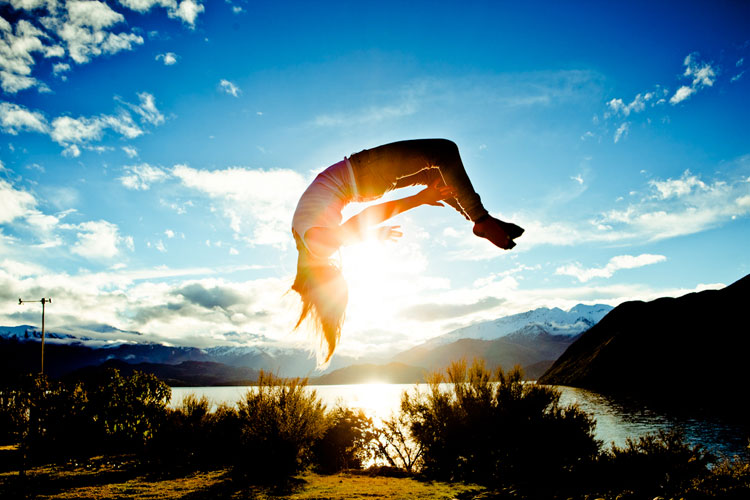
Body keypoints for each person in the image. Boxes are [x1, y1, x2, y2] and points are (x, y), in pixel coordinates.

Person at [291, 138, 524, 365]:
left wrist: (369, 235)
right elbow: (357, 221)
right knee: (443, 153)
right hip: (362, 174)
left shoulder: (315, 245)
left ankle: (480, 220)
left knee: (437, 171)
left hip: (362, 180)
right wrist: (418, 199)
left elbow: (346, 231)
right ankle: (480, 219)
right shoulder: (307, 242)